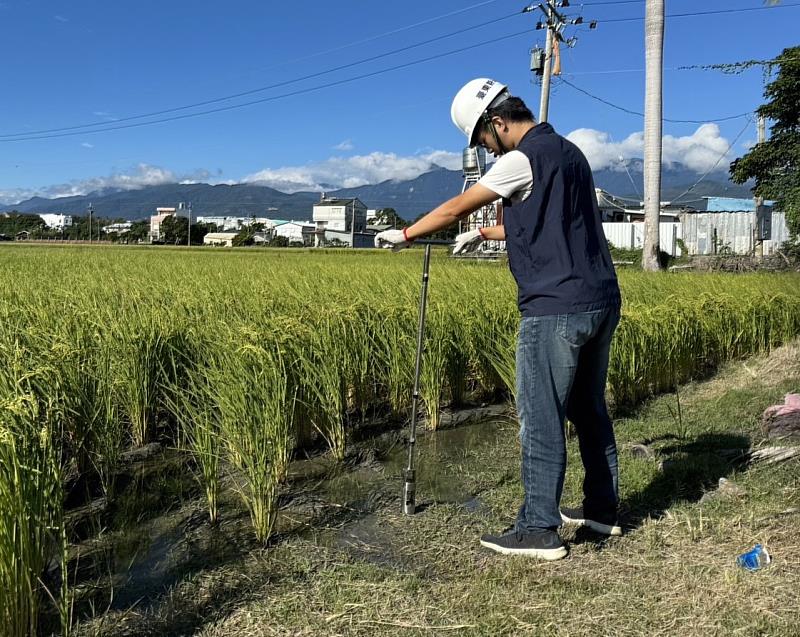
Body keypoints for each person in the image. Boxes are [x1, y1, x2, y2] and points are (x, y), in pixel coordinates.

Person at [375, 78, 622, 560]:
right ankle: (602, 510)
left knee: (541, 416)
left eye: (483, 140)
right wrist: (487, 235)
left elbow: (453, 208)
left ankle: (537, 528)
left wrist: (404, 234)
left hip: (554, 307)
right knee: (588, 408)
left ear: (498, 122)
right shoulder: (571, 153)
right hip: (600, 299)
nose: (486, 151)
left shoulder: (519, 158)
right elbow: (548, 221)